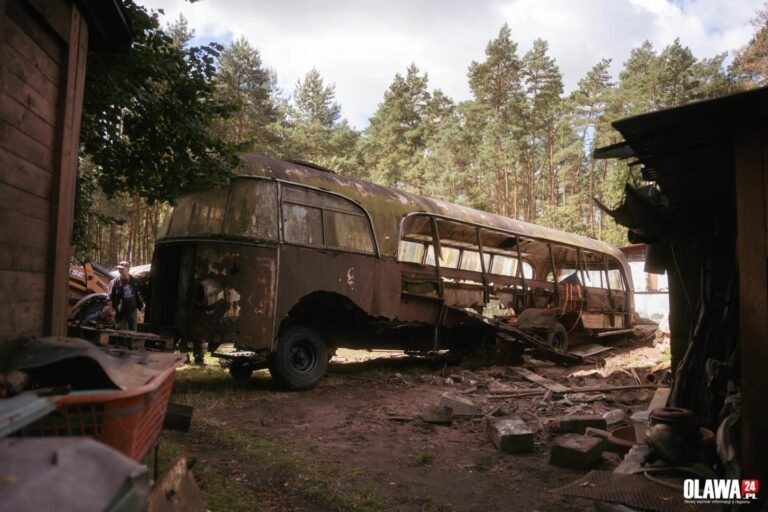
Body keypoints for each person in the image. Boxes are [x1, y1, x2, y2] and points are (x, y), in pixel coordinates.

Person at [108, 261, 144, 331]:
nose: (120, 270)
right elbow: (109, 297)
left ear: (128, 269)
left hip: (132, 311)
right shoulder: (114, 282)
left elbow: (140, 293)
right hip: (120, 311)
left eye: (122, 269)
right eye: (119, 269)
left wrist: (140, 309)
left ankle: (130, 342)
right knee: (120, 331)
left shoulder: (135, 281)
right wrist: (111, 310)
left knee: (133, 330)